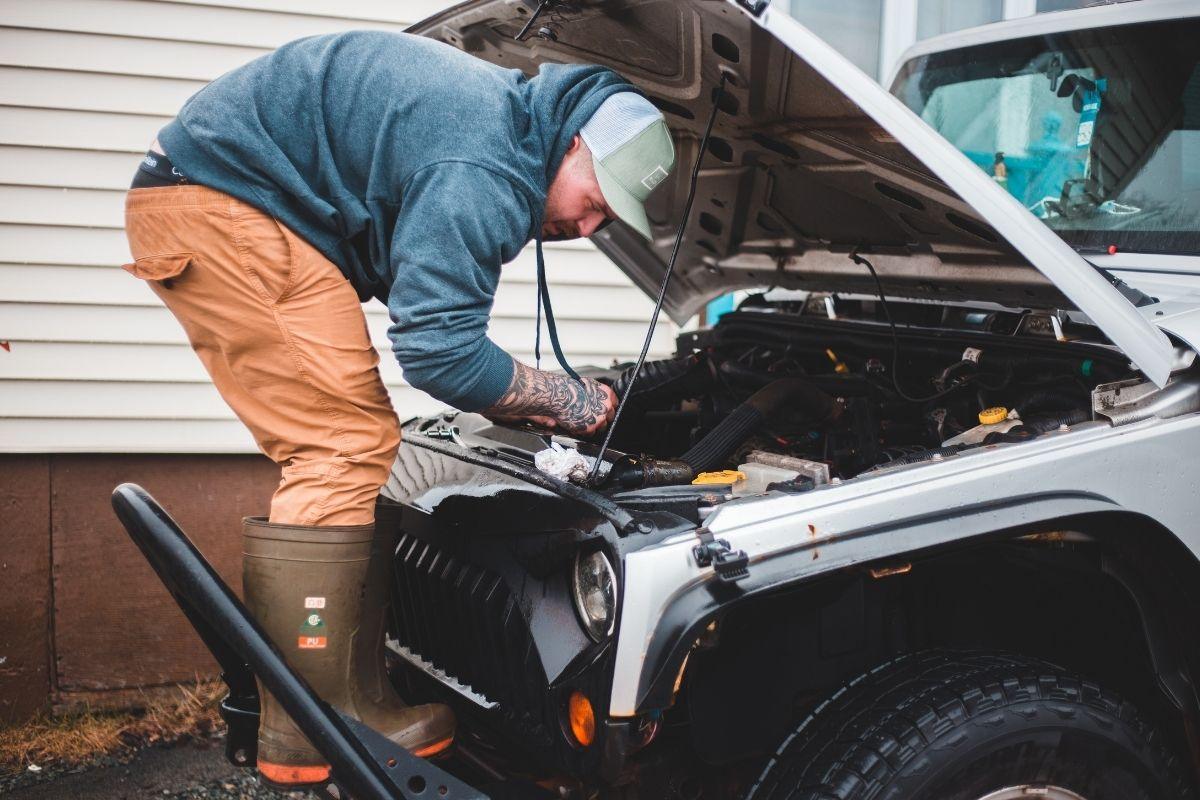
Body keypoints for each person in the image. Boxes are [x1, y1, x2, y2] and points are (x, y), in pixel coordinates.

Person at [121, 30, 676, 789]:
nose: (587, 228)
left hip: (208, 195)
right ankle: (315, 722)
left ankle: (339, 692)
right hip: (226, 206)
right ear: (575, 144)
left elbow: (429, 312)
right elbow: (439, 353)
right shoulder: (485, 161)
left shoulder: (501, 133)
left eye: (608, 221)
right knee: (341, 444)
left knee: (341, 439)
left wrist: (534, 397)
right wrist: (571, 402)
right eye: (595, 202)